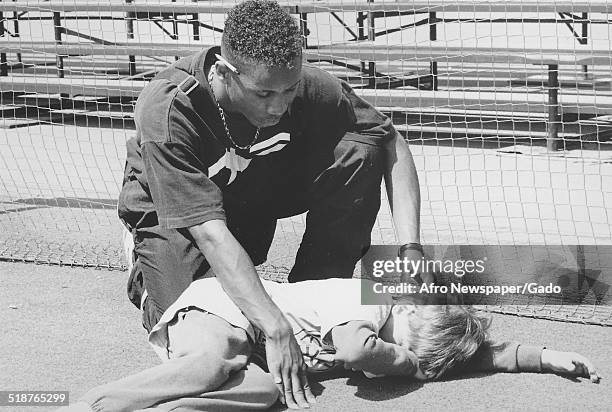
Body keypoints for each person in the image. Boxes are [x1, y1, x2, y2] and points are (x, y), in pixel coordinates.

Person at [117, 0, 426, 407]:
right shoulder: (171, 108)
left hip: (249, 195)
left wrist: (411, 249)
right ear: (225, 73)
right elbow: (210, 233)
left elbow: (391, 144)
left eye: (289, 90)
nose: (279, 105)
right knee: (202, 331)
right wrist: (277, 328)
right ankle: (146, 275)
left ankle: (313, 287)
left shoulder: (300, 83)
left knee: (360, 152)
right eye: (264, 93)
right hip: (173, 217)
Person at [60, 277, 600, 412]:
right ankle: (92, 404)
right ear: (405, 310)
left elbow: (473, 358)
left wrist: (544, 358)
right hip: (224, 308)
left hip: (257, 353)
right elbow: (356, 350)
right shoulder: (366, 300)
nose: (404, 360)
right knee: (208, 364)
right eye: (405, 345)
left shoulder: (411, 335)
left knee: (266, 391)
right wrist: (400, 359)